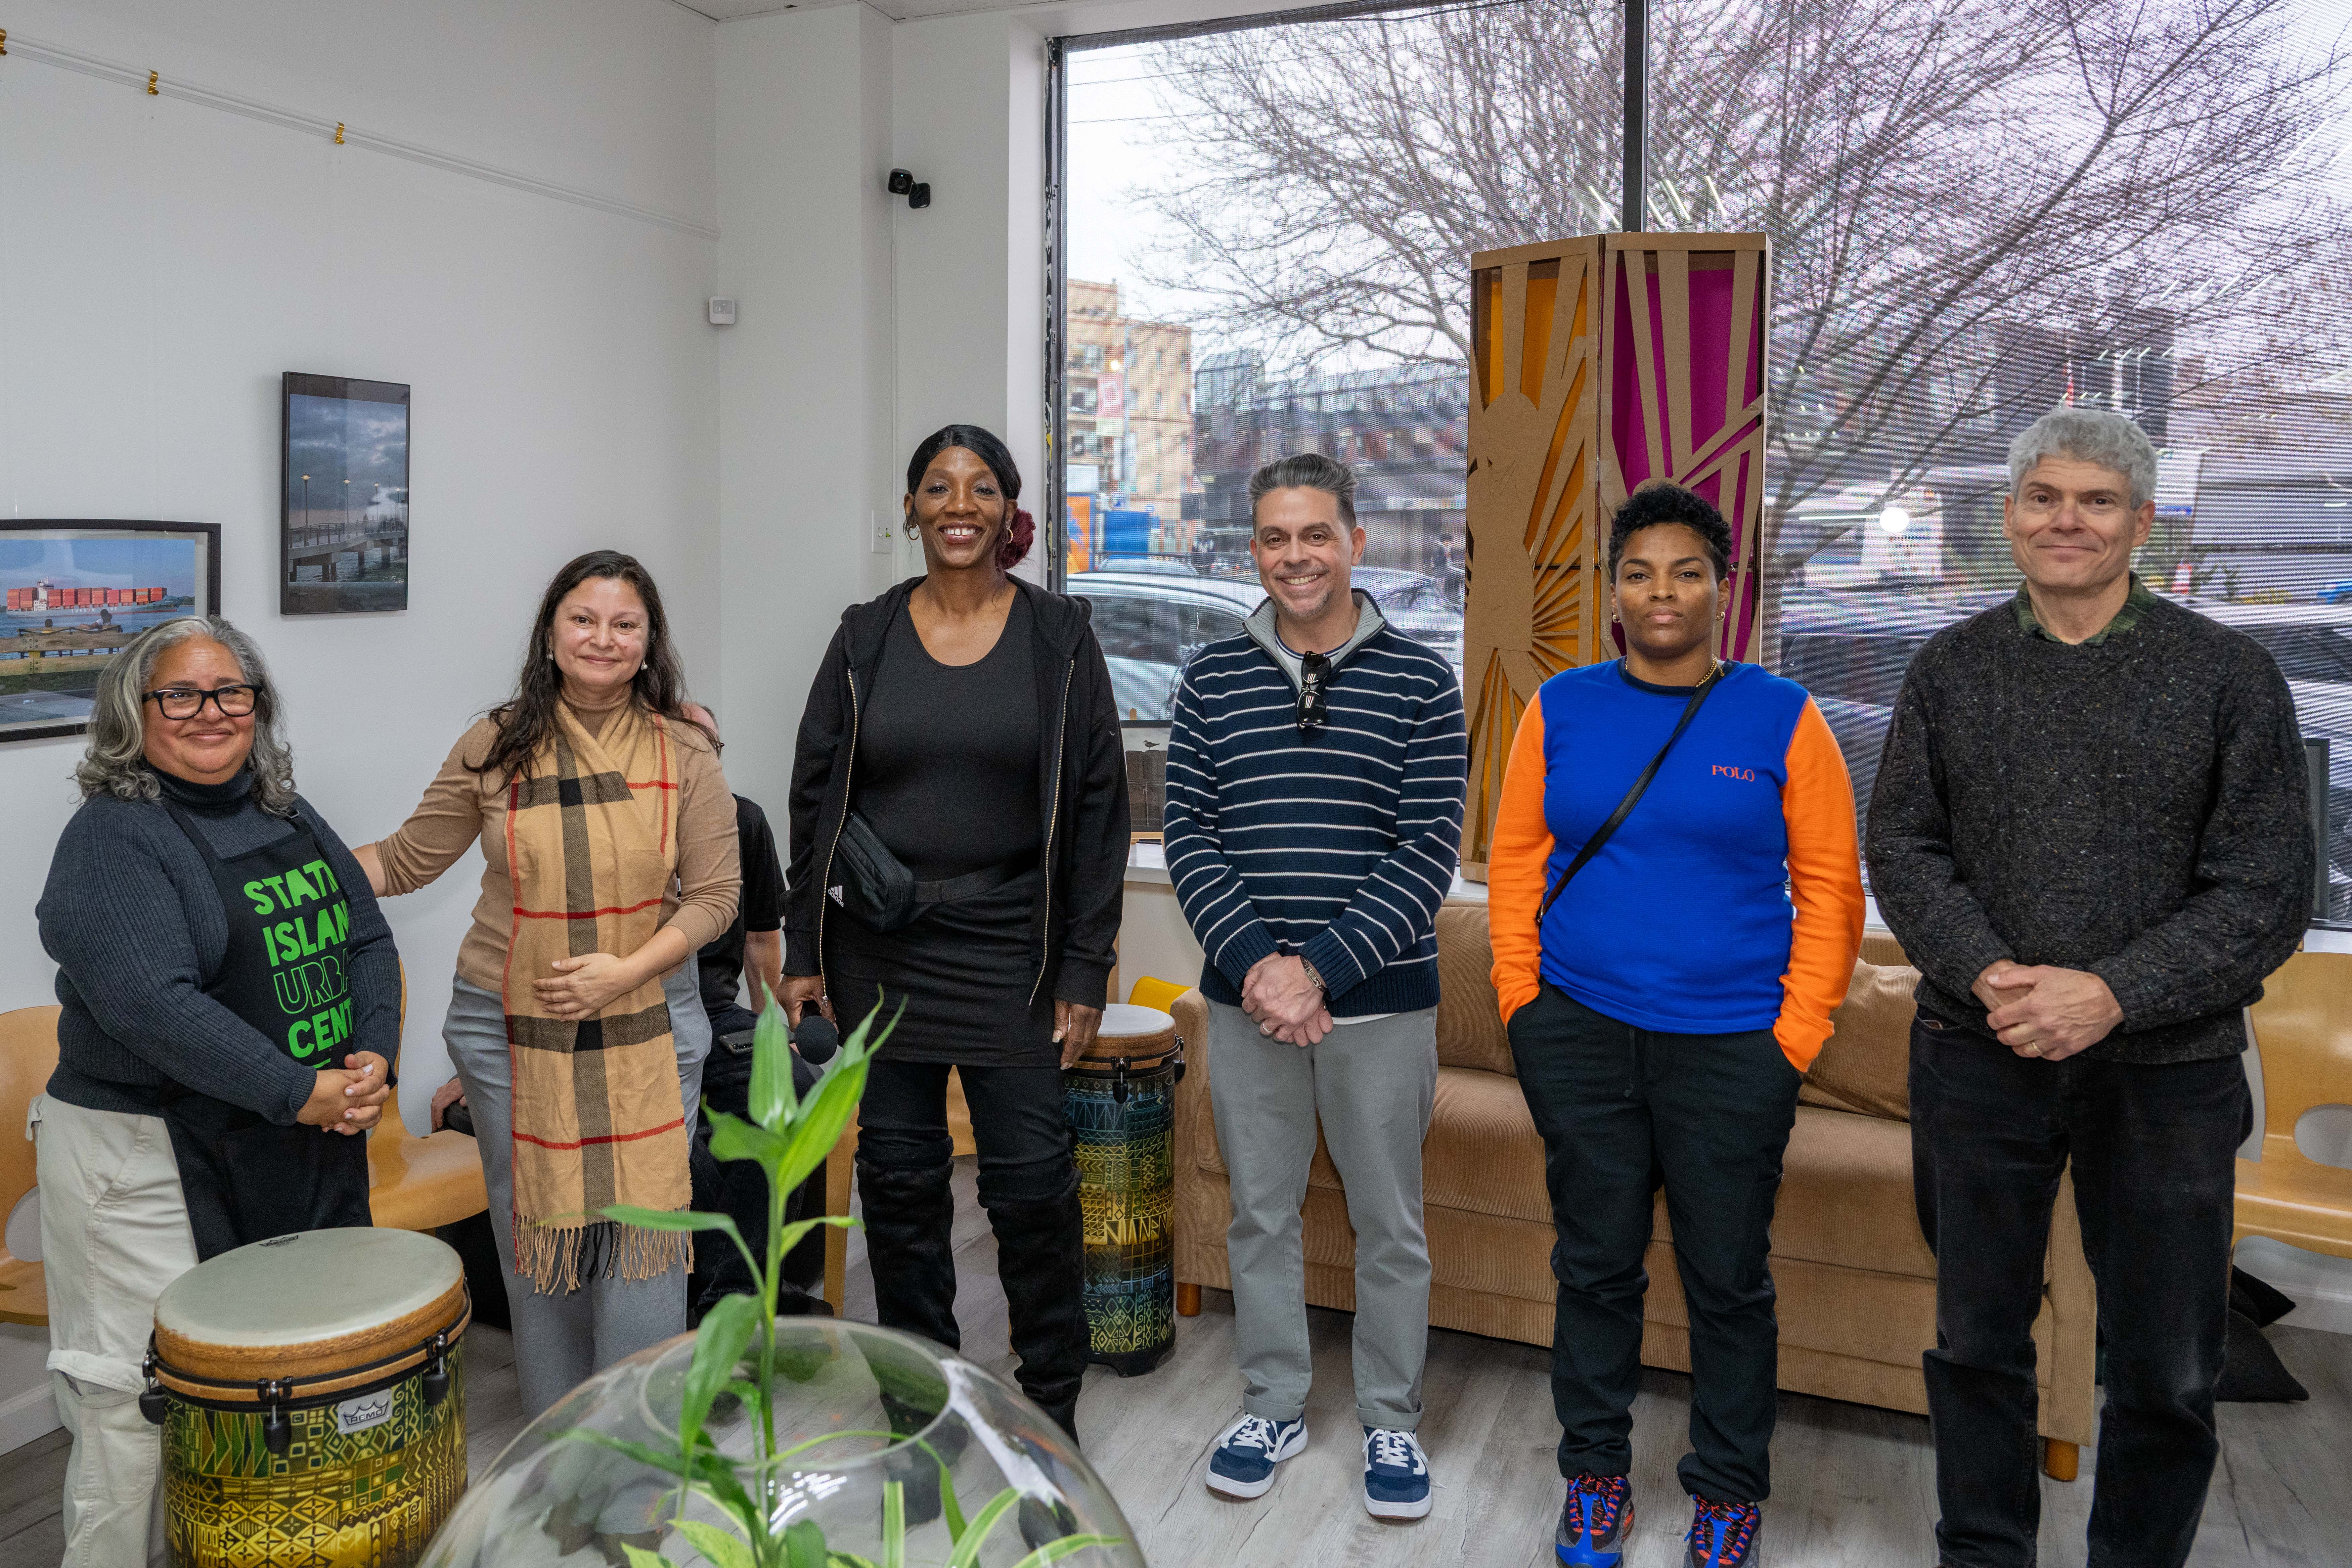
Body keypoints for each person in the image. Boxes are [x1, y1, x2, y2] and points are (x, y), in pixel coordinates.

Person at [1866, 408, 2312, 1568]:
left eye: (2096, 500)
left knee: (2167, 1364)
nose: (2067, 521)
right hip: (1979, 1055)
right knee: (1974, 1343)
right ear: (2008, 518)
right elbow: (1905, 849)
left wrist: (2109, 992)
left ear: (2141, 523)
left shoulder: (2226, 676)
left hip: (2167, 1075)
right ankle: (1983, 1551)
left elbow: (2265, 891)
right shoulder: (1950, 670)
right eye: (2044, 498)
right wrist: (1983, 971)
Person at [1486, 483, 1863, 1568]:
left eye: (1686, 570)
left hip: (1735, 1047)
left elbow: (1830, 889)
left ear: (1723, 590)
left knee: (1726, 1281)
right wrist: (1522, 1004)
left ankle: (1728, 1491)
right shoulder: (1559, 708)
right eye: (1641, 571)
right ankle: (1594, 1477)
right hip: (1580, 1035)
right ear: (1614, 592)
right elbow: (1513, 864)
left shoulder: (1782, 716)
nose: (1663, 591)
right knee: (1595, 1267)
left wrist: (1792, 1038)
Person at [783, 423, 1127, 1440]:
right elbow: (813, 799)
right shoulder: (864, 636)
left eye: (980, 487)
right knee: (898, 1180)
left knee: (1029, 1184)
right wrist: (801, 949)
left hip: (1015, 950)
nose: (958, 504)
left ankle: (1050, 1393)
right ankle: (915, 1387)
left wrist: (1084, 965)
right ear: (912, 509)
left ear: (1008, 510)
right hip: (879, 947)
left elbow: (1101, 808)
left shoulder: (1060, 637)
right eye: (937, 487)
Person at [34, 616, 394, 1565]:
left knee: (270, 1384)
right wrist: (296, 1088)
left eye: (232, 691)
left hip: (282, 1133)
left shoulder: (282, 807)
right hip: (141, 1157)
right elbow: (152, 1003)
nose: (212, 712)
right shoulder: (111, 839)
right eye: (181, 694)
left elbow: (364, 938)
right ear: (132, 711)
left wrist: (371, 1057)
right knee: (134, 1412)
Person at [356, 549, 740, 1421]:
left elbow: (718, 897)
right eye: (583, 618)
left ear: (648, 644)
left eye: (624, 623)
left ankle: (631, 1462)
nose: (602, 637)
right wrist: (282, 868)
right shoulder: (495, 744)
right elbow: (409, 858)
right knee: (538, 1238)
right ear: (551, 632)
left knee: (641, 1239)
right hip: (507, 1029)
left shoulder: (686, 751)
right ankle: (558, 1461)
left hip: (649, 1017)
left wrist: (627, 969)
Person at [1162, 452, 1467, 1521]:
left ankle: (1391, 1417)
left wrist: (1320, 970)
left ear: (1354, 541)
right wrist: (1259, 968)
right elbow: (1189, 835)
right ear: (1255, 549)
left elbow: (1427, 847)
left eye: (1316, 535)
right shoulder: (1208, 679)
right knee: (1259, 1215)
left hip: (1381, 1004)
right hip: (1246, 1004)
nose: (1296, 556)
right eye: (1275, 538)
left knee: (1390, 1223)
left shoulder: (1424, 681)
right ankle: (1274, 1400)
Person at [682, 706, 825, 1321]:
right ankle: (725, 1299)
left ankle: (733, 1303)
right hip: (638, 1019)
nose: (702, 757)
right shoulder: (629, 824)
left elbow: (763, 940)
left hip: (714, 1013)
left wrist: (774, 1031)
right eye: (688, 745)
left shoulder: (745, 821)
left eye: (712, 745)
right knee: (688, 1143)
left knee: (791, 1090)